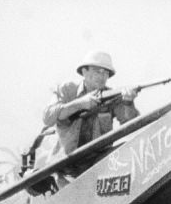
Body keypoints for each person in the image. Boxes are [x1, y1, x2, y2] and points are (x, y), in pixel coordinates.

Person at [41, 51, 140, 186]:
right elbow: (48, 117)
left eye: (105, 73)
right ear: (84, 71)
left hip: (98, 164)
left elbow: (132, 124)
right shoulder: (67, 89)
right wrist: (80, 104)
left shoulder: (112, 96)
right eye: (97, 71)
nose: (102, 76)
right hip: (65, 166)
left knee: (128, 150)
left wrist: (128, 102)